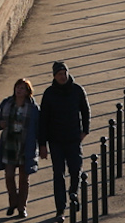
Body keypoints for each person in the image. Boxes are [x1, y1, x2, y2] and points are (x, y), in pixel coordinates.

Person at [37, 61, 91, 215]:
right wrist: (42, 144)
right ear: (55, 76)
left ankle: (73, 193)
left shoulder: (77, 90)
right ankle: (60, 206)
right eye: (60, 74)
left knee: (76, 170)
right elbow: (43, 120)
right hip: (56, 141)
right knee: (58, 173)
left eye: (64, 73)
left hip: (73, 138)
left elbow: (85, 111)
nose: (63, 76)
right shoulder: (49, 93)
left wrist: (85, 130)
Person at [0, 77, 40, 218]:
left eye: (22, 88)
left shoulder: (33, 108)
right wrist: (0, 124)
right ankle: (13, 202)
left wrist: (42, 145)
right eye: (17, 87)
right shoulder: (7, 103)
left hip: (25, 146)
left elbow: (39, 127)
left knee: (23, 178)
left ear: (28, 92)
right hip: (9, 144)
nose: (19, 90)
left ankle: (22, 207)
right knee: (9, 176)